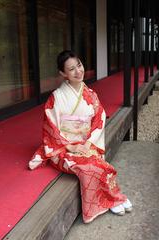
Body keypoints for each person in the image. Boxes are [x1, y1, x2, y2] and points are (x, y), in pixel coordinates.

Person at [29, 50, 133, 223]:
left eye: (79, 65)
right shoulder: (56, 98)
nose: (78, 71)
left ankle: (113, 197)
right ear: (63, 74)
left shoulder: (91, 95)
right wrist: (72, 146)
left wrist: (89, 143)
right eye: (71, 69)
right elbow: (51, 129)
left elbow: (99, 120)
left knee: (101, 164)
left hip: (86, 144)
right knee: (88, 168)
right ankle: (111, 200)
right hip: (63, 148)